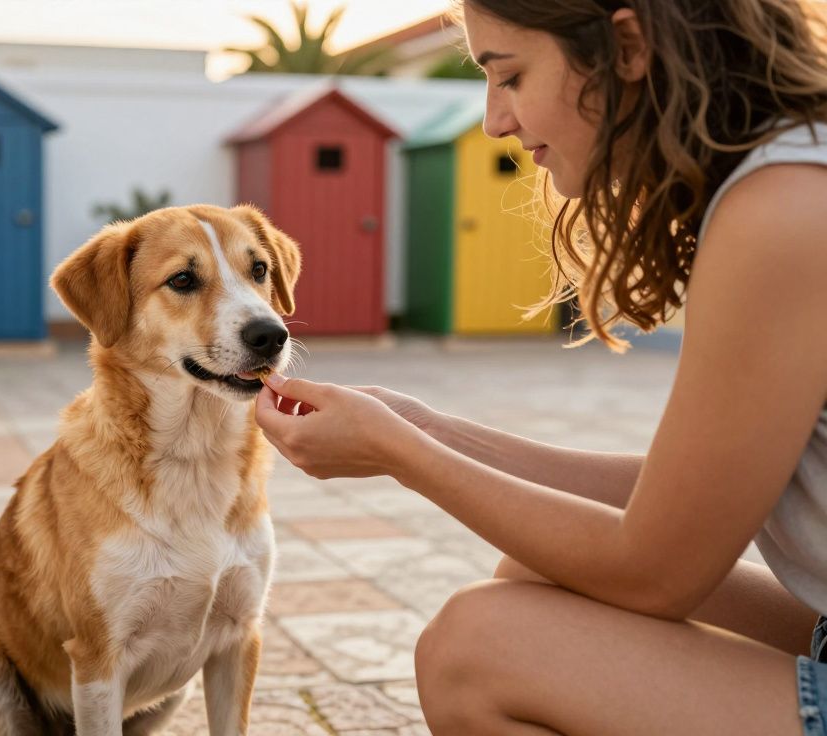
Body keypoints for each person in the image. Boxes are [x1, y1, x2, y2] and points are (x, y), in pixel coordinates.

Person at [255, 0, 827, 732]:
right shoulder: (787, 174)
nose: (495, 120)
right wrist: (429, 430)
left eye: (511, 76)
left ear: (626, 47)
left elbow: (657, 573)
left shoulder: (782, 210)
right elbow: (685, 499)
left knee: (478, 649)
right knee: (534, 574)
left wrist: (400, 453)